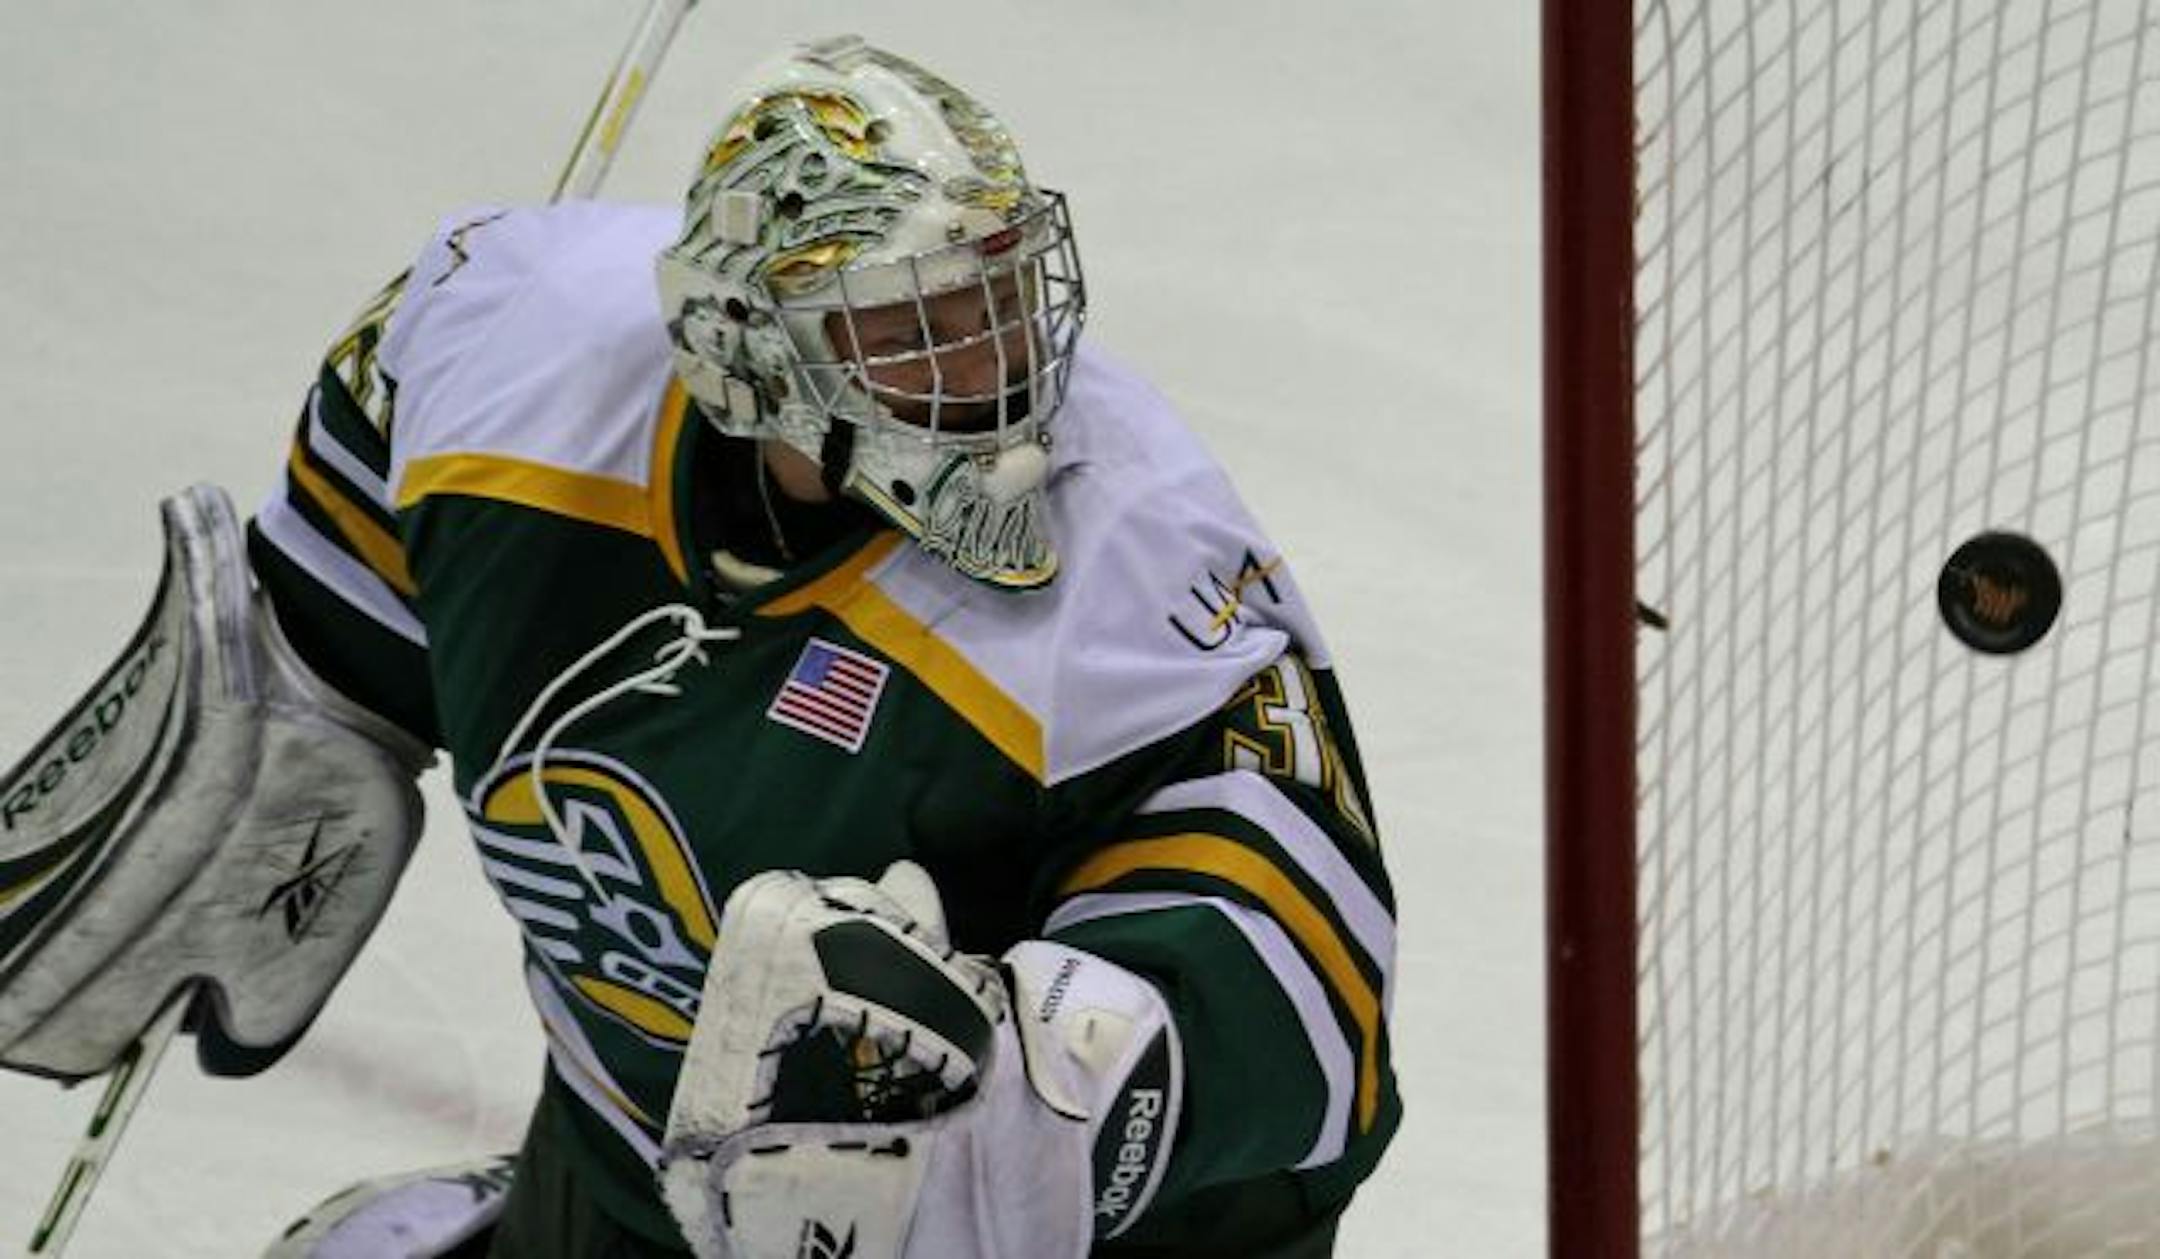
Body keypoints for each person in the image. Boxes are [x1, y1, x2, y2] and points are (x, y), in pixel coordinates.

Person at [13, 34, 1400, 1259]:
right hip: (634, 1156)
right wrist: (276, 733)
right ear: (746, 344)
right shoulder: (510, 363)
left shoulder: (1139, 566)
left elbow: (1315, 998)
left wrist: (1065, 1089)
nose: (993, 372)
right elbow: (340, 607)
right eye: (913, 328)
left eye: (998, 300)